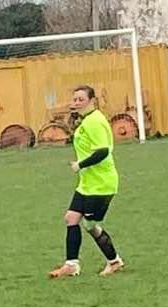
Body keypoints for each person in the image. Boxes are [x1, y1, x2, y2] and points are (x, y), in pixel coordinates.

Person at [48, 85, 125, 278]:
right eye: (74, 99)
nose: (76, 103)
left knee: (90, 225)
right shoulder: (86, 121)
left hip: (101, 184)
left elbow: (103, 151)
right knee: (71, 218)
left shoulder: (94, 122)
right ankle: (71, 265)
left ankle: (114, 261)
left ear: (92, 101)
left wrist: (80, 164)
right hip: (87, 184)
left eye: (81, 99)